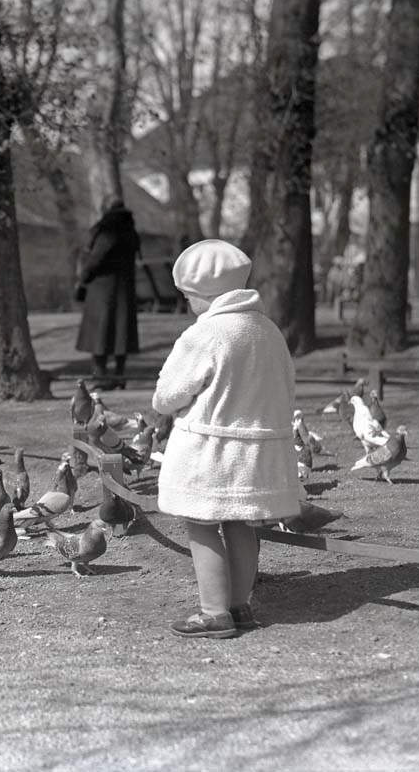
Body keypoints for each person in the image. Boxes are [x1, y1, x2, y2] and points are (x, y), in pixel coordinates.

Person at [151, 239, 302, 639]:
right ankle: (241, 605)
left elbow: (167, 396)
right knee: (240, 524)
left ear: (206, 294)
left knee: (201, 524)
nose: (188, 305)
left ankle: (213, 612)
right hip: (254, 451)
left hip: (209, 452)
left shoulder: (206, 335)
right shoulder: (267, 331)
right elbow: (287, 388)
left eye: (189, 297)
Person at [75, 196, 141, 390]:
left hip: (102, 289)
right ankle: (120, 375)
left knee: (100, 333)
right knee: (121, 333)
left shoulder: (107, 230)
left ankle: (101, 376)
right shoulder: (130, 231)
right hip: (124, 288)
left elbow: (95, 258)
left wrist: (84, 277)